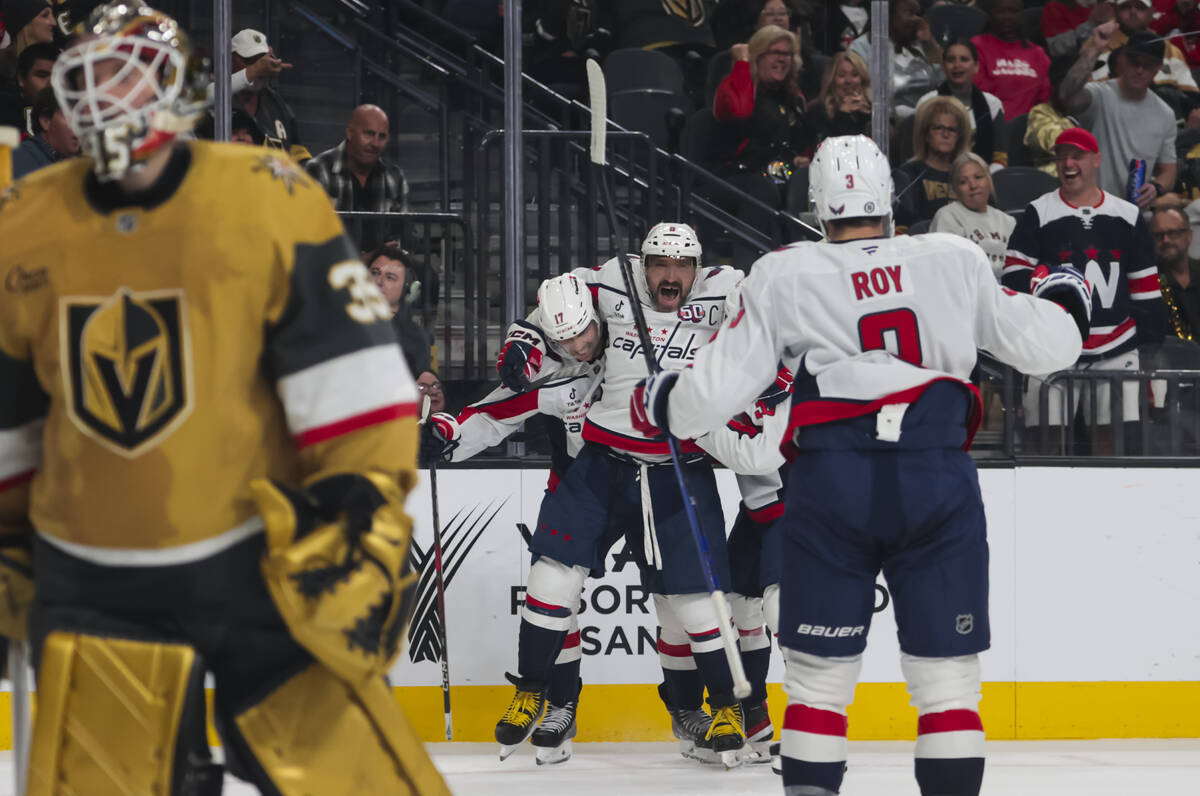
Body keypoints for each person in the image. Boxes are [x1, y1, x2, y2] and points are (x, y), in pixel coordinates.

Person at [0, 5, 448, 795]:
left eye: (131, 73)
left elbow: (353, 382)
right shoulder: (24, 224)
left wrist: (365, 512)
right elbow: (12, 414)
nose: (112, 96)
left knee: (352, 781)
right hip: (94, 578)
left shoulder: (266, 197)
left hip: (264, 560)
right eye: (94, 77)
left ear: (181, 88)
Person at [628, 133, 1088, 796]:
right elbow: (1049, 346)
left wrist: (663, 396)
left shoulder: (786, 271)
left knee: (818, 683)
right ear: (888, 200)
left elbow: (708, 395)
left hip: (831, 480)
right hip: (934, 474)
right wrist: (1068, 297)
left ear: (817, 207)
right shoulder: (952, 256)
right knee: (948, 686)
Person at [490, 223, 752, 767]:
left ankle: (723, 706)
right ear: (644, 262)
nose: (670, 275)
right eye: (660, 264)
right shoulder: (611, 279)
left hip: (678, 463)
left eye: (682, 266)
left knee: (697, 604)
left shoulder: (726, 288)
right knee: (551, 576)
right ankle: (534, 692)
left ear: (697, 268)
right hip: (602, 462)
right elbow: (554, 303)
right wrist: (523, 345)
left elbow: (772, 319)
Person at [1003, 127, 1167, 452]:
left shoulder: (1128, 215)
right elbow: (1013, 276)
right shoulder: (1039, 211)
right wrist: (1046, 281)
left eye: (1076, 155)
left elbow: (1145, 283)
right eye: (1061, 156)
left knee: (1113, 443)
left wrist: (1150, 344)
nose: (1068, 163)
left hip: (1117, 345)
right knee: (1047, 441)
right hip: (1053, 345)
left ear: (1096, 160)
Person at [1058, 23, 1177, 206]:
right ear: (1123, 59)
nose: (1139, 70)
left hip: (1134, 213)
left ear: (1158, 68)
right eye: (1134, 62)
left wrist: (1157, 187)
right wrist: (1095, 48)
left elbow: (1169, 170)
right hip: (1091, 207)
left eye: (1147, 65)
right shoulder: (1100, 95)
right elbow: (1067, 94)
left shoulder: (1165, 114)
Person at [713, 24, 810, 199]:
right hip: (737, 179)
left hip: (778, 179)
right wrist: (743, 63)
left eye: (787, 54)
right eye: (775, 53)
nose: (782, 59)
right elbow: (739, 113)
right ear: (757, 57)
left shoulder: (793, 96)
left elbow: (800, 141)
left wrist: (798, 160)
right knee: (764, 189)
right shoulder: (732, 85)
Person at [306, 103, 410, 249]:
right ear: (349, 133)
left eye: (382, 136)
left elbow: (404, 236)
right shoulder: (318, 170)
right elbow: (307, 236)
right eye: (369, 133)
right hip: (331, 267)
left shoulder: (395, 177)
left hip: (381, 268)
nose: (375, 143)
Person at [1088, 0, 1200, 118]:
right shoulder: (1098, 45)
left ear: (1151, 12)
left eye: (1140, 7)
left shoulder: (1171, 51)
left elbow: (1192, 97)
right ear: (1115, 9)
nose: (1133, 12)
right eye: (1126, 7)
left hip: (1172, 125)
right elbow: (1094, 100)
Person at [916, 39, 1007, 170]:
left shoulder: (993, 104)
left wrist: (980, 180)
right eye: (951, 60)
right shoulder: (927, 102)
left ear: (976, 66)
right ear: (943, 66)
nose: (957, 65)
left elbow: (1000, 158)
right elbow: (919, 151)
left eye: (964, 59)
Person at [848, 0, 943, 119]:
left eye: (917, 14)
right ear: (889, 13)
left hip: (927, 122)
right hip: (882, 123)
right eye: (909, 12)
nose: (915, 19)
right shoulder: (863, 47)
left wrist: (930, 44)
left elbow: (943, 84)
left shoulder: (922, 45)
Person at [893, 95, 972, 233]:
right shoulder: (907, 174)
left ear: (959, 136)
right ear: (925, 133)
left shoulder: (968, 174)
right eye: (938, 128)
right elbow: (902, 226)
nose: (946, 134)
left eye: (952, 129)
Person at [932, 152, 1017, 278]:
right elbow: (950, 269)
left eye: (978, 177)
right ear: (955, 189)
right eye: (963, 182)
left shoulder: (1008, 221)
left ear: (989, 180)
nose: (973, 185)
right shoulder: (948, 216)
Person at [229, 28, 308, 161]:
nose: (260, 68)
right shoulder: (213, 101)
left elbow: (298, 156)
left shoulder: (277, 104)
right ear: (230, 61)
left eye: (263, 62)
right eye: (251, 61)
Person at [972, 0, 1052, 119]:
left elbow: (1045, 100)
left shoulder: (1038, 53)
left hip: (1028, 127)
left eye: (1013, 11)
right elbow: (978, 95)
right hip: (989, 123)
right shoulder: (977, 46)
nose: (1008, 17)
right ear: (991, 14)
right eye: (1002, 11)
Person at [367, 244, 433, 376]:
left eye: (390, 277)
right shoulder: (343, 325)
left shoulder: (415, 338)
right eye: (374, 273)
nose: (379, 281)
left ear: (406, 288)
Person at [803, 50, 871, 150]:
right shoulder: (817, 111)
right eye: (842, 75)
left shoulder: (872, 111)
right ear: (832, 79)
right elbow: (833, 150)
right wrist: (843, 114)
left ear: (862, 79)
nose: (848, 81)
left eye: (855, 75)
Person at [1152, 204, 1200, 339]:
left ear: (1189, 236)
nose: (1165, 240)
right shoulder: (1147, 283)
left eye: (1173, 233)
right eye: (1158, 235)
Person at [10, 83, 76, 177]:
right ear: (46, 121)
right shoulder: (18, 158)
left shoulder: (85, 162)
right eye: (70, 117)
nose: (80, 125)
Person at [1041, 0, 1114, 58]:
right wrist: (1091, 23)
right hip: (1073, 63)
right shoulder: (1054, 7)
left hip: (1103, 54)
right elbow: (1056, 48)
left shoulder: (1099, 4)